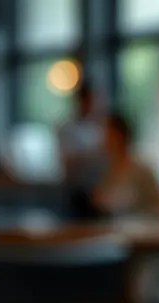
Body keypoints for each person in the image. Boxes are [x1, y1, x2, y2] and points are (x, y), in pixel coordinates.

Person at [92, 114, 159, 218]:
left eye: (109, 135)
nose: (104, 140)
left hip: (143, 231)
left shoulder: (142, 170)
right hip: (117, 230)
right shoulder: (109, 172)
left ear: (121, 136)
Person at [57, 83, 106, 218]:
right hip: (75, 191)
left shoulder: (97, 128)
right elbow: (68, 163)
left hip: (97, 189)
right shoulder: (66, 128)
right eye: (87, 101)